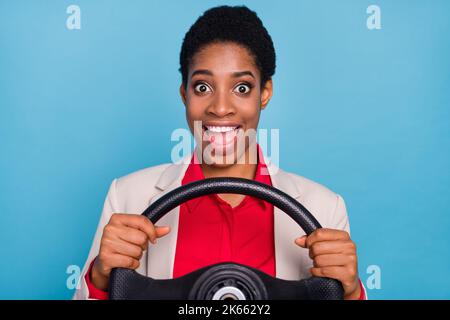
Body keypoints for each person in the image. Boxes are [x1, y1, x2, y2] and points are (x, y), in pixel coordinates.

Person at [73, 5, 366, 300]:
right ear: (184, 94)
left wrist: (351, 292)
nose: (221, 108)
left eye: (241, 87)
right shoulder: (128, 196)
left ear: (265, 93)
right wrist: (99, 279)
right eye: (202, 87)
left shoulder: (324, 208)